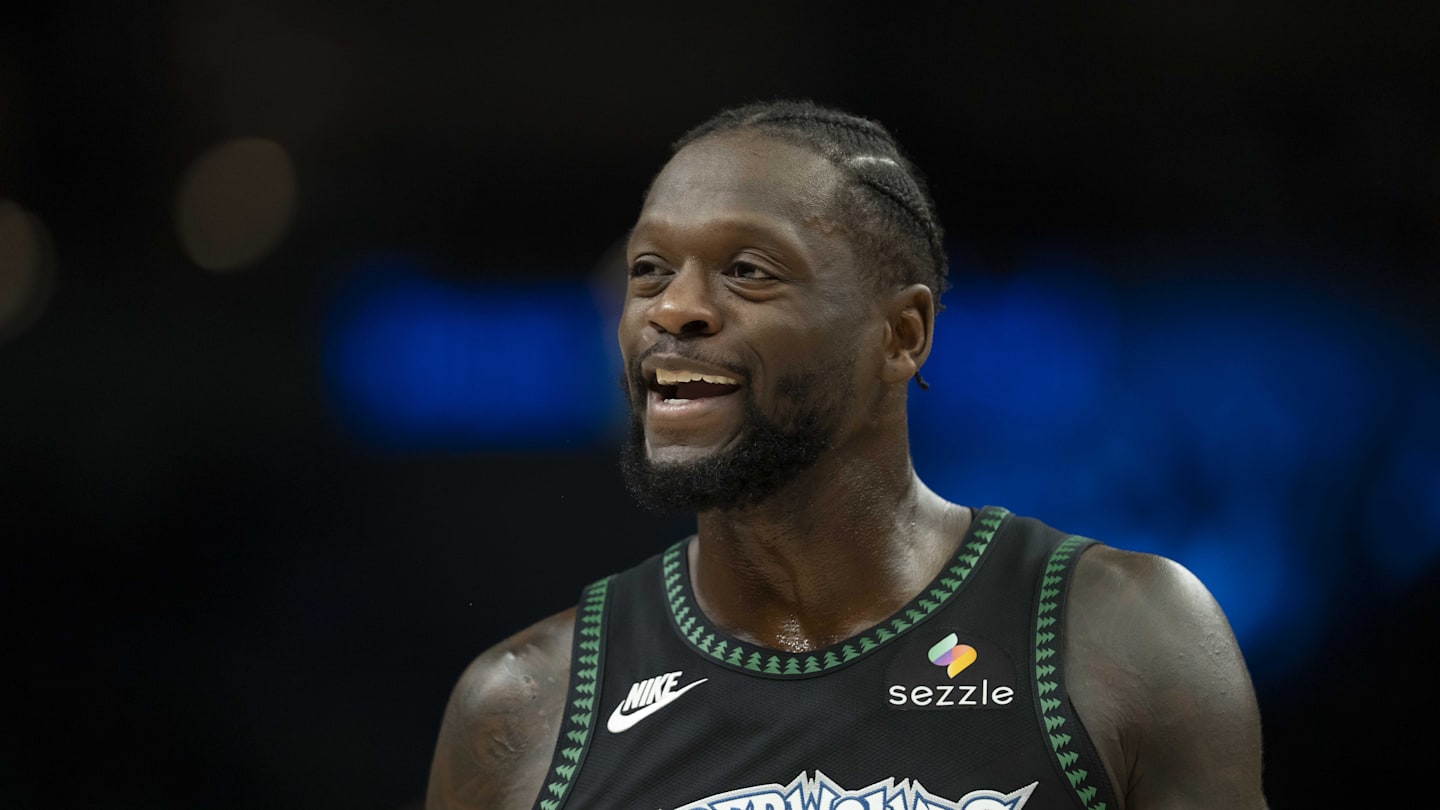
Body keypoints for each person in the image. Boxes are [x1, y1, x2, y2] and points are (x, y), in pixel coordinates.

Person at [425, 100, 1268, 810]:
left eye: (747, 270)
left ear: (902, 336)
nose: (672, 308)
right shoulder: (526, 706)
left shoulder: (1123, 634)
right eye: (649, 270)